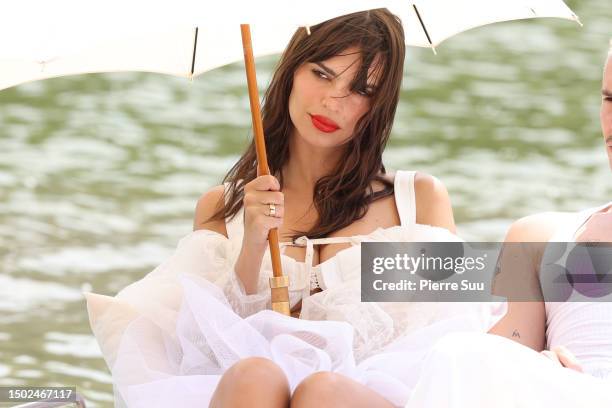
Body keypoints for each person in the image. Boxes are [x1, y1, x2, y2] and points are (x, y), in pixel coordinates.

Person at [85, 9, 505, 408]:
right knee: (253, 374)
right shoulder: (224, 207)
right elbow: (201, 348)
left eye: (361, 89)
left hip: (370, 397)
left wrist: (540, 356)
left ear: (379, 105)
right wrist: (251, 244)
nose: (333, 101)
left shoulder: (416, 201)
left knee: (321, 391)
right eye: (322, 74)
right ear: (292, 71)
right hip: (249, 392)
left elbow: (466, 325)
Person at [404, 40, 612, 408]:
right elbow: (495, 359)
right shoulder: (538, 238)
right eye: (610, 100)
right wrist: (541, 373)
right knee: (458, 355)